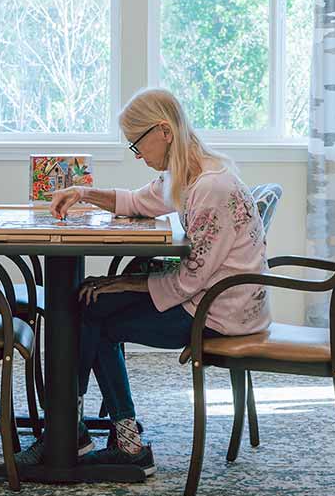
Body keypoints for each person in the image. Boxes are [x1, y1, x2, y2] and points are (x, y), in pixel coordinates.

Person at [34, 87, 273, 475]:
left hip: (219, 312)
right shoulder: (191, 173)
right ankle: (69, 427)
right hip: (213, 296)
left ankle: (105, 439)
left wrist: (126, 284)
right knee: (92, 303)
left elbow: (191, 279)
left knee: (99, 317)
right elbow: (137, 201)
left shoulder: (210, 188)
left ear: (163, 131)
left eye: (137, 145)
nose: (139, 156)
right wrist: (82, 191)